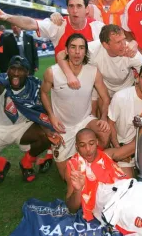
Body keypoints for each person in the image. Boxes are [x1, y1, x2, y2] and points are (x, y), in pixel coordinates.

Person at [0, 0, 105, 89]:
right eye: (71, 6)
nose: (75, 10)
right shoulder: (58, 25)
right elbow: (31, 23)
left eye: (79, 6)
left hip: (90, 84)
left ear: (86, 9)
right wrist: (7, 17)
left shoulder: (97, 27)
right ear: (67, 9)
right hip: (63, 83)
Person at [41, 33, 110, 180]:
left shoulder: (93, 71)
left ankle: (90, 162)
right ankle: (75, 156)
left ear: (85, 51)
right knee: (67, 178)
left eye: (81, 48)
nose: (77, 52)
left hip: (84, 120)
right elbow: (43, 93)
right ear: (66, 50)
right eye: (73, 47)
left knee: (104, 132)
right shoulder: (52, 72)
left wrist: (103, 117)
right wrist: (51, 116)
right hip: (62, 127)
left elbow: (105, 97)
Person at [0, 56, 61, 184]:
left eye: (21, 69)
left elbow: (41, 112)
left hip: (23, 127)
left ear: (27, 72)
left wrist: (49, 131)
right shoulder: (1, 82)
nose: (15, 73)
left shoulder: (35, 86)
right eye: (12, 68)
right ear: (7, 70)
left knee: (48, 135)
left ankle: (27, 162)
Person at [108, 64, 142, 178]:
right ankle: (117, 156)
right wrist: (118, 147)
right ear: (138, 78)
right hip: (122, 145)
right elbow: (110, 124)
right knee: (126, 182)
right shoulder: (121, 97)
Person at [88, 24, 142, 98]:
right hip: (104, 86)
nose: (123, 45)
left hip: (127, 87)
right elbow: (70, 53)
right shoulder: (92, 49)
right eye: (118, 42)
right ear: (106, 45)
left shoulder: (131, 52)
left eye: (124, 39)